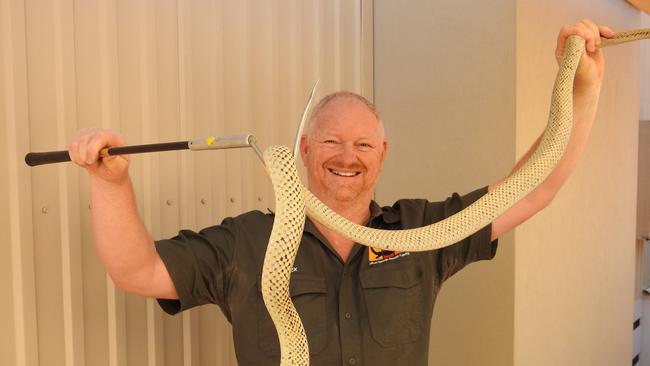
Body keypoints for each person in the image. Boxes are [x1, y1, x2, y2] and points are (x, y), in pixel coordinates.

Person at [68, 20, 613, 365]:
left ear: (383, 152)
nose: (347, 157)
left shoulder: (425, 231)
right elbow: (134, 271)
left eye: (362, 144)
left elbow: (535, 189)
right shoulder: (248, 242)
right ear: (303, 150)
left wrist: (581, 86)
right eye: (330, 140)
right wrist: (110, 182)